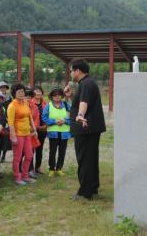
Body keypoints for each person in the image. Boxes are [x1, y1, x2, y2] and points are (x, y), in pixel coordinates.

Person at [69, 58, 106, 201]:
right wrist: (70, 97)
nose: (71, 73)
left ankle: (85, 192)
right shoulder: (88, 83)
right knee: (91, 159)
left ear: (77, 71)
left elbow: (84, 103)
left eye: (71, 71)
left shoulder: (86, 83)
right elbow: (82, 101)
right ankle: (92, 187)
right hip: (90, 128)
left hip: (85, 128)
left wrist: (79, 115)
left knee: (85, 160)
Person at [7, 83, 38, 186]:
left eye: (22, 91)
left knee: (29, 155)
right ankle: (17, 177)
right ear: (14, 93)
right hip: (17, 134)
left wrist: (34, 130)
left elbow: (30, 117)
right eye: (19, 91)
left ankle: (25, 175)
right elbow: (10, 123)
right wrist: (13, 137)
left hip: (27, 134)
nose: (21, 93)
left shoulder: (25, 103)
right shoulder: (12, 105)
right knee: (17, 157)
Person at [42, 88, 71, 176]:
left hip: (64, 133)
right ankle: (51, 169)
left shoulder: (66, 105)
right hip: (53, 133)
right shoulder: (49, 105)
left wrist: (65, 121)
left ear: (61, 96)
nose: (57, 96)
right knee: (52, 151)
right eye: (55, 95)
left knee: (62, 152)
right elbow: (44, 117)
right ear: (52, 97)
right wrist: (54, 121)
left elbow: (73, 116)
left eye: (59, 95)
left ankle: (59, 169)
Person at [30, 86, 47, 176]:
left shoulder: (44, 103)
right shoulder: (30, 103)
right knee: (31, 149)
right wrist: (35, 127)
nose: (38, 93)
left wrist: (45, 125)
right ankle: (30, 168)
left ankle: (38, 167)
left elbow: (48, 115)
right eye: (36, 91)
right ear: (33, 93)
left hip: (43, 129)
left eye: (40, 91)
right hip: (33, 130)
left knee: (40, 149)